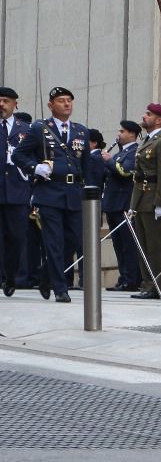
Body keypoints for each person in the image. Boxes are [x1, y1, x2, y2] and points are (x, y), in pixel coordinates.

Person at [14, 87, 91, 302]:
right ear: (51, 105)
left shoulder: (81, 131)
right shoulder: (39, 128)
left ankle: (47, 273)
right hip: (49, 192)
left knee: (75, 240)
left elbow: (86, 168)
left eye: (69, 100)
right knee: (54, 241)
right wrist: (35, 167)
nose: (67, 104)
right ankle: (60, 288)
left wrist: (92, 193)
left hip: (74, 193)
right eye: (61, 100)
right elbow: (20, 155)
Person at [130, 103, 161, 300]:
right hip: (141, 198)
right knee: (143, 244)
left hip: (153, 198)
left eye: (148, 114)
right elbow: (138, 175)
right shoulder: (147, 140)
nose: (144, 116)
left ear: (158, 120)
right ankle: (147, 282)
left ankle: (158, 284)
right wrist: (133, 204)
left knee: (156, 246)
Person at [0, 88, 36, 297]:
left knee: (16, 236)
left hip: (18, 190)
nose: (1, 105)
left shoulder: (27, 129)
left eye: (5, 101)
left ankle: (14, 276)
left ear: (15, 104)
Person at [101, 121, 141, 291]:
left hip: (123, 204)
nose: (119, 134)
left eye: (122, 131)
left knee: (127, 244)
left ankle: (131, 279)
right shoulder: (121, 153)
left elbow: (125, 172)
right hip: (112, 204)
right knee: (118, 244)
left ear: (132, 134)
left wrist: (109, 161)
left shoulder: (134, 152)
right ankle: (124, 276)